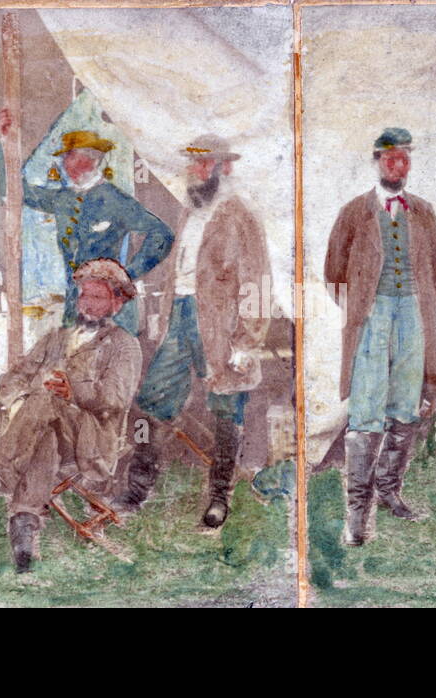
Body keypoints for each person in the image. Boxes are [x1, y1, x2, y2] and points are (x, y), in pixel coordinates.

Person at [114, 135, 271, 529]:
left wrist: (247, 341)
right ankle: (138, 490)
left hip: (220, 327)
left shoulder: (241, 217)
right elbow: (180, 273)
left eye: (206, 165)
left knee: (226, 408)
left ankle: (220, 498)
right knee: (152, 400)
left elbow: (257, 283)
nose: (197, 172)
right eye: (195, 164)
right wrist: (164, 315)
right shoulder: (190, 211)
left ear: (225, 168)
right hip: (181, 316)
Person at [324, 127, 436, 546]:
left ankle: (389, 491)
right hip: (374, 315)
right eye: (390, 159)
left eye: (404, 159)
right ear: (376, 162)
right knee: (366, 410)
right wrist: (359, 312)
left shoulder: (422, 211)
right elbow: (333, 273)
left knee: (407, 406)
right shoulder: (355, 212)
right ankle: (357, 513)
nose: (398, 166)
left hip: (414, 314)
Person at [0, 258, 142, 573]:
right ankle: (24, 529)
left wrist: (74, 393)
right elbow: (13, 379)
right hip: (43, 429)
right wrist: (18, 403)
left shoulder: (124, 346)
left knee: (46, 399)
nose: (88, 304)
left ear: (116, 303)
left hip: (92, 438)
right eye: (84, 295)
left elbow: (115, 401)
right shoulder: (56, 337)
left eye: (98, 297)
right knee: (45, 432)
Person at [0, 108, 174, 334]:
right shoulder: (63, 198)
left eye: (70, 156)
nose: (63, 163)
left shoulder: (114, 200)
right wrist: (6, 143)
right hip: (76, 311)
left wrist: (128, 275)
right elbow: (17, 190)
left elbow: (163, 235)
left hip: (112, 313)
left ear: (91, 159)